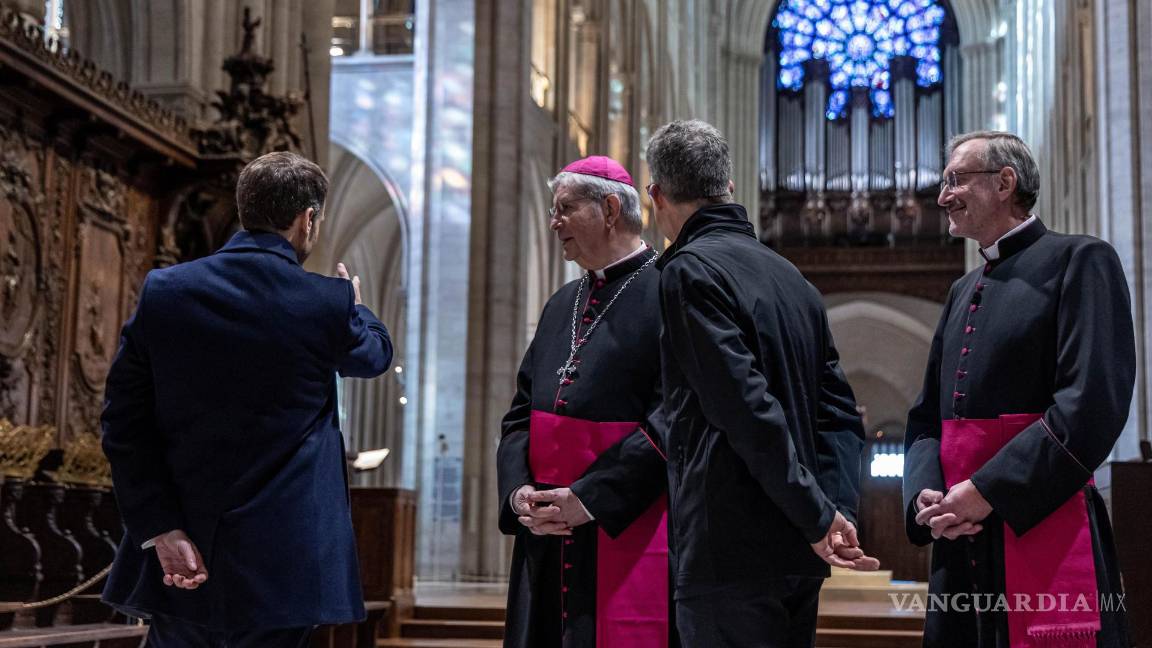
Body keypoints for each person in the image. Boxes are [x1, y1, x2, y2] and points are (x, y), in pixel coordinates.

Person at [100, 151, 393, 647]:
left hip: (184, 553)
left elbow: (123, 424)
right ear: (308, 219)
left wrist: (159, 528)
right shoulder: (325, 303)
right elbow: (374, 357)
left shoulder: (166, 291)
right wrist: (358, 308)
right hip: (284, 565)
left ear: (244, 210)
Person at [645, 119, 877, 648]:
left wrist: (818, 518)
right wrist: (834, 510)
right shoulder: (793, 278)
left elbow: (745, 410)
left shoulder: (689, 270)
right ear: (728, 187)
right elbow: (840, 415)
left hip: (728, 551)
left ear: (655, 194)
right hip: (798, 554)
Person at [904, 131, 1132, 647]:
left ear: (1005, 182)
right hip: (959, 537)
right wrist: (926, 497)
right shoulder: (962, 290)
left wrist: (987, 491)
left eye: (956, 179)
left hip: (1041, 518)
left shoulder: (1082, 260)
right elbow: (923, 421)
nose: (942, 196)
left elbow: (1092, 403)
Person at [497, 156, 671, 647]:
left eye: (564, 209)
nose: (553, 222)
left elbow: (674, 417)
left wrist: (590, 499)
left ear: (610, 209)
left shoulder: (670, 291)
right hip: (545, 534)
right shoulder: (561, 303)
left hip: (625, 527)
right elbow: (519, 414)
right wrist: (519, 495)